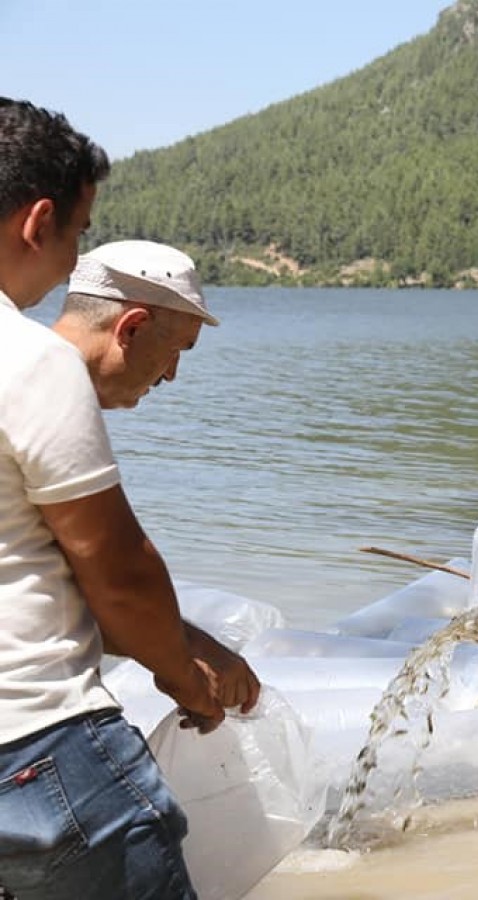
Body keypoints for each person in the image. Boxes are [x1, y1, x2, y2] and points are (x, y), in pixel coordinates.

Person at [0, 97, 260, 899]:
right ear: (39, 220)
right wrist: (184, 675)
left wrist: (185, 644)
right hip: (41, 748)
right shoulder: (29, 363)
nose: (172, 375)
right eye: (78, 229)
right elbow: (117, 572)